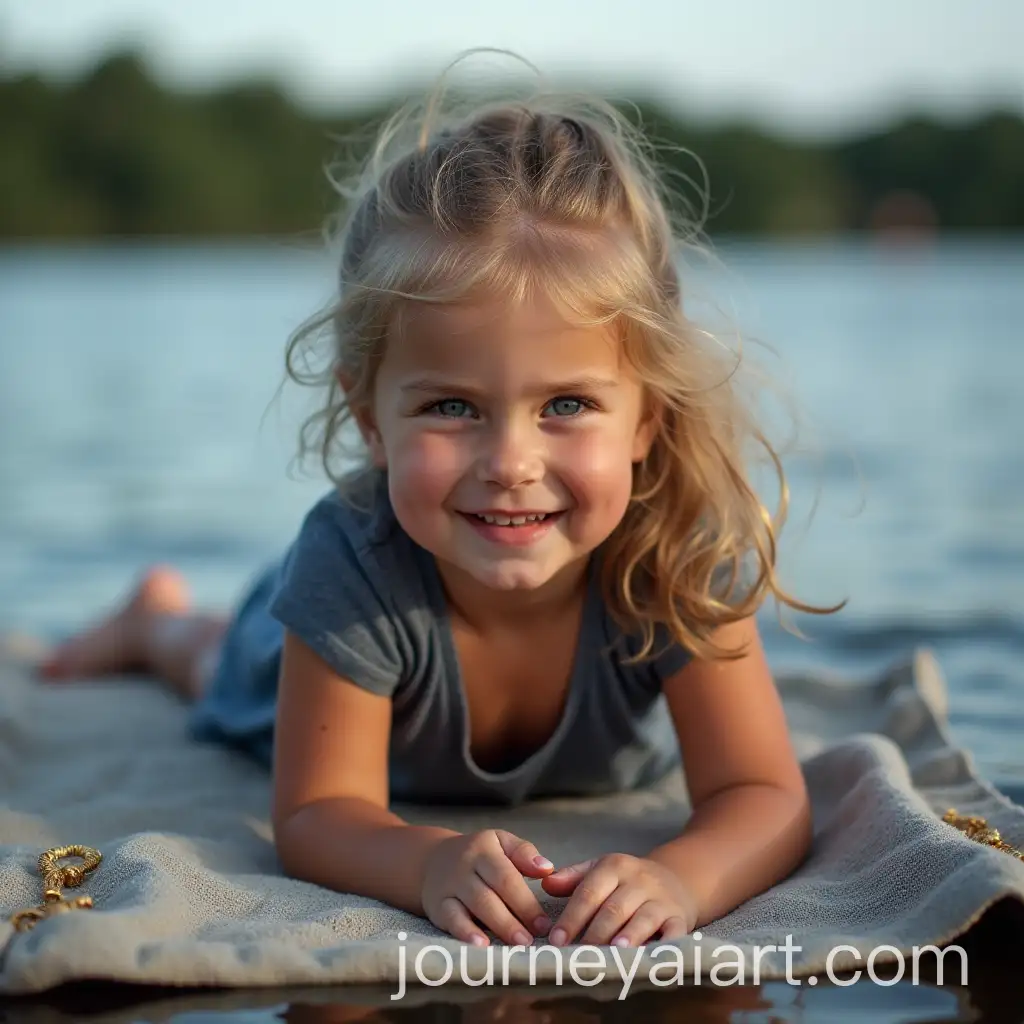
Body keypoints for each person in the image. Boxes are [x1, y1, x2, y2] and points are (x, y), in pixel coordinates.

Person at [37, 57, 837, 952]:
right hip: (293, 647)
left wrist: (681, 879)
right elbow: (316, 810)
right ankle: (156, 622)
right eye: (452, 407)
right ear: (368, 418)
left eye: (565, 406)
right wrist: (424, 862)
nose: (509, 463)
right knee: (220, 663)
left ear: (648, 417)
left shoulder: (676, 557)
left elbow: (763, 795)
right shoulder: (354, 563)